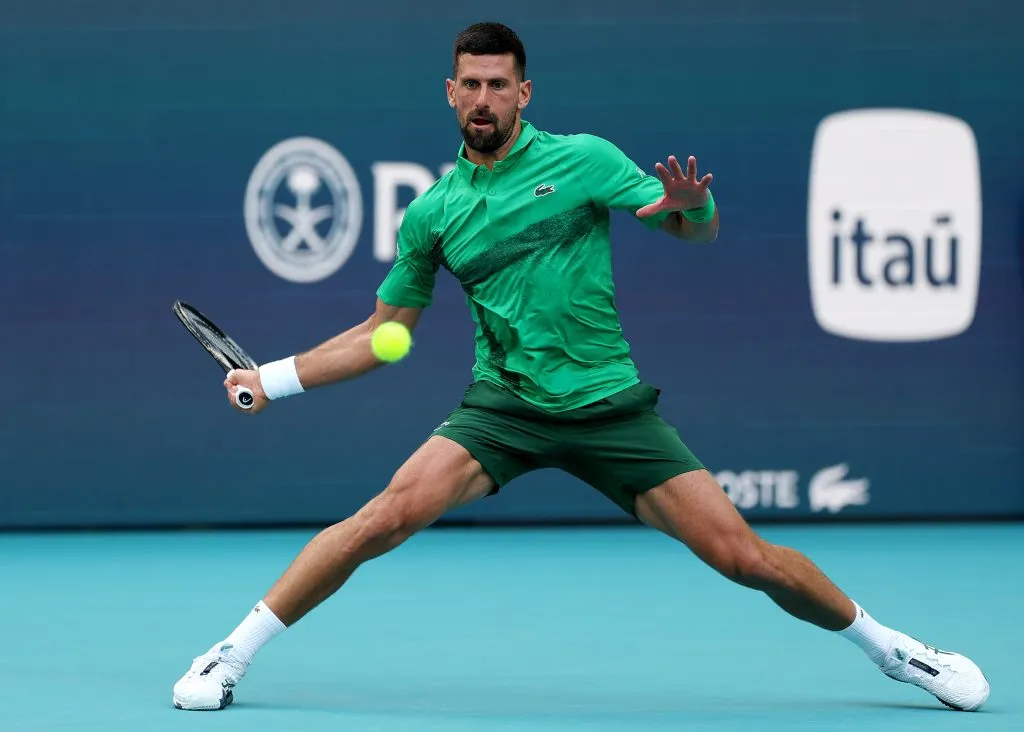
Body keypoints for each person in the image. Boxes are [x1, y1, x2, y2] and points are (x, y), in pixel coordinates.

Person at [172, 21, 990, 713]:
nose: (485, 98)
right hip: (505, 408)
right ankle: (232, 655)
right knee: (379, 520)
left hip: (608, 407)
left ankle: (894, 652)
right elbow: (384, 333)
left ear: (523, 94)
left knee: (744, 557)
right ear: (450, 94)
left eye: (500, 84)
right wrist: (270, 378)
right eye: (471, 84)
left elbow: (687, 229)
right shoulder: (434, 213)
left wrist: (693, 206)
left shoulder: (587, 160)